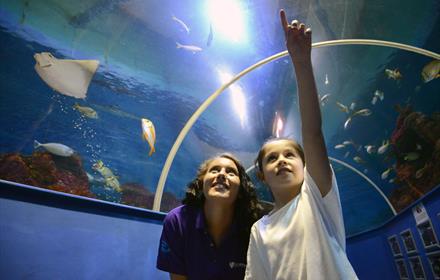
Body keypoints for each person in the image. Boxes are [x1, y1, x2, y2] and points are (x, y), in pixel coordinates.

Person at [244, 10, 358, 279]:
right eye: (272, 159)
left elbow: (313, 133)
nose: (281, 160)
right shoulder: (258, 230)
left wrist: (301, 63)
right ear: (261, 175)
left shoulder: (315, 196)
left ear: (305, 165)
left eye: (289, 155)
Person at [157, 153, 262, 280]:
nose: (222, 174)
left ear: (241, 189)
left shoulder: (254, 228)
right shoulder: (177, 221)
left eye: (231, 172)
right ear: (201, 182)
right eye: (214, 170)